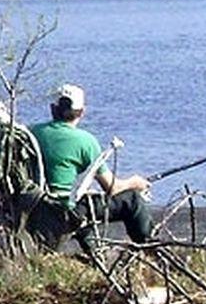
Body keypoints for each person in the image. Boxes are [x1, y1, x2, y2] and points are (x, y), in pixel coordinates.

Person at [30, 84, 152, 251]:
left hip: (35, 206)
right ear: (82, 111)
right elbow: (112, 188)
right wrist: (135, 183)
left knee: (84, 199)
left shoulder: (32, 133)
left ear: (53, 108)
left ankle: (94, 253)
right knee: (132, 201)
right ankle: (149, 248)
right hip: (66, 208)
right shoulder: (85, 141)